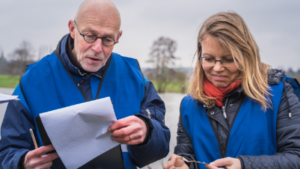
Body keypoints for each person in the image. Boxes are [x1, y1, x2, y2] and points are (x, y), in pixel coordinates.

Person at [0, 0, 170, 168]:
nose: (97, 48)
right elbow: (7, 152)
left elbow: (161, 146)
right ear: (73, 29)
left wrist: (148, 131)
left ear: (118, 37)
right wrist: (22, 163)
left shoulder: (136, 78)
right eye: (90, 35)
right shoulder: (31, 82)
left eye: (108, 39)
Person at [164, 11, 300, 169]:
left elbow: (296, 156)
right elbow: (188, 155)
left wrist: (245, 165)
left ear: (246, 55)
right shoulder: (188, 105)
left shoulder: (278, 94)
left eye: (229, 59)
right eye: (208, 59)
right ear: (200, 55)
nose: (217, 68)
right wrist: (184, 165)